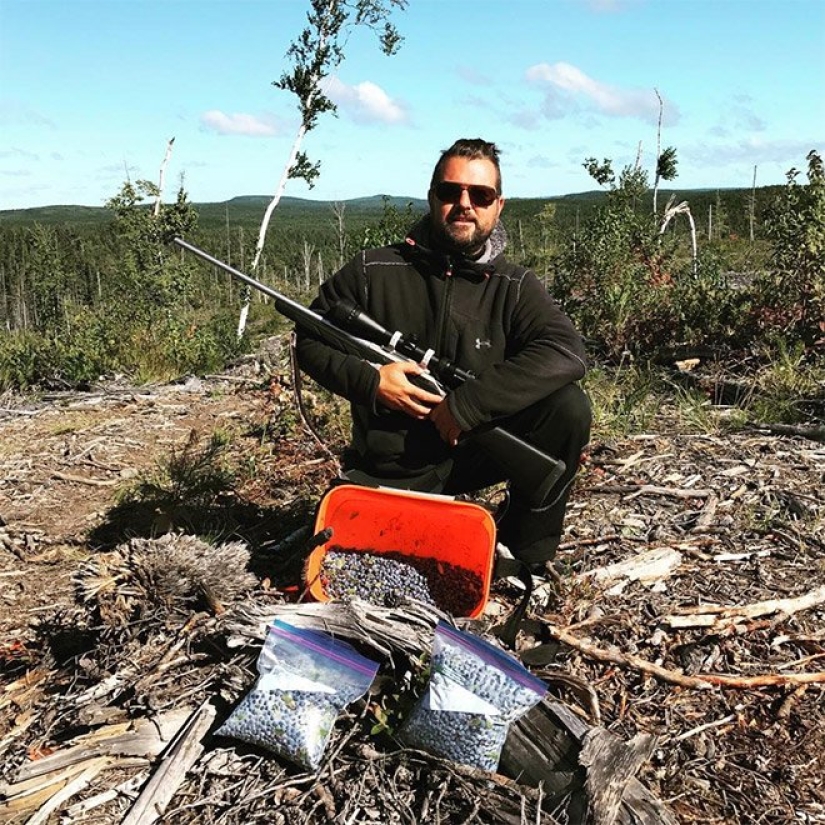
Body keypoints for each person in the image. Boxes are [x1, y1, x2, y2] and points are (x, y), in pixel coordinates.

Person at [296, 138, 591, 571]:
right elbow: (311, 339)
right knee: (355, 558)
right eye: (450, 192)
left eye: (480, 195)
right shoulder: (372, 271)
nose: (464, 204)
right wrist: (373, 383)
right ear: (432, 197)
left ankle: (526, 553)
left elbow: (566, 352)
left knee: (568, 408)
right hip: (393, 464)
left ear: (499, 204)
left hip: (477, 452)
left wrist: (468, 406)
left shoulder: (515, 286)